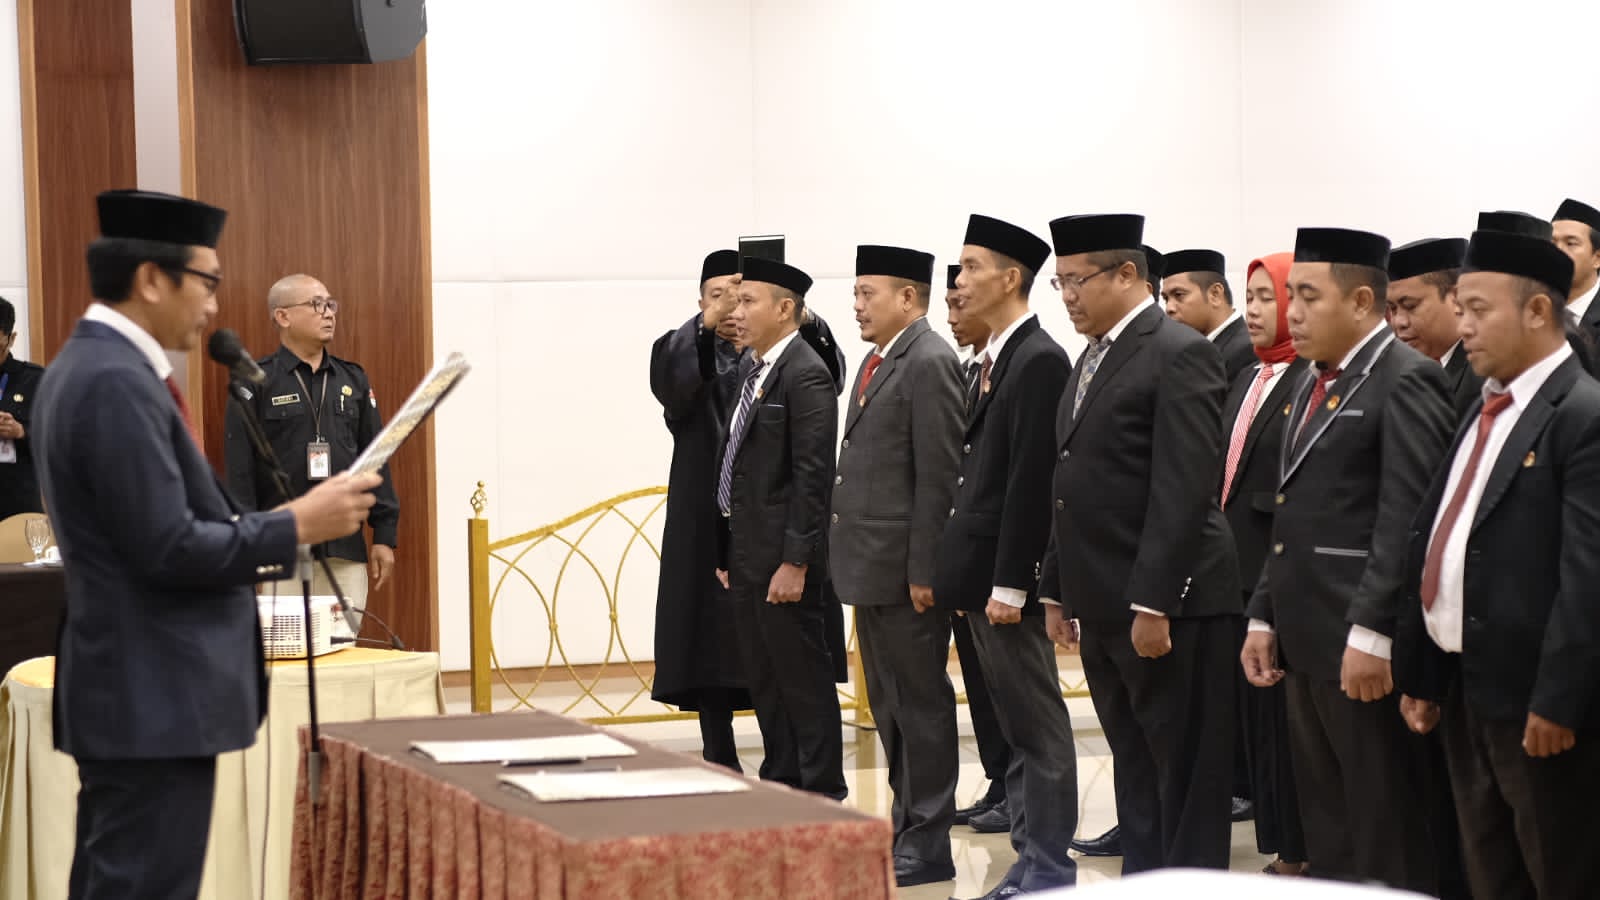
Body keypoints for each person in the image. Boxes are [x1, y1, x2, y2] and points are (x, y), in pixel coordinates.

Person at [32, 189, 381, 899]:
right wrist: (296, 524)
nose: (215, 305)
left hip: (140, 688)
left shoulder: (99, 367)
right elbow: (168, 547)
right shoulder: (112, 381)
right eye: (207, 282)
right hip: (150, 690)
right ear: (151, 279)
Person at [1241, 227, 1453, 891]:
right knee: (1328, 820)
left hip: (1362, 646)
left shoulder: (1406, 378)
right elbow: (1289, 514)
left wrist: (1373, 633)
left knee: (1384, 821)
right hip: (1305, 639)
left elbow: (1407, 522)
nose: (1293, 312)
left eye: (1309, 296)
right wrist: (1263, 615)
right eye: (1291, 296)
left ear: (1362, 302)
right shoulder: (1311, 381)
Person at [1396, 228, 1600, 899]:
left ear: (1538, 311)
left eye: (1479, 310)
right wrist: (1425, 672)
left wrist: (1559, 701)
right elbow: (1441, 533)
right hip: (1469, 689)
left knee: (1558, 872)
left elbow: (1588, 578)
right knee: (1491, 872)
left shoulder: (1581, 414)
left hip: (1537, 704)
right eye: (1460, 309)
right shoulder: (1489, 404)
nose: (1463, 326)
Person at [1039, 215, 1239, 874]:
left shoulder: (1179, 351)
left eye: (1078, 280)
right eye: (1060, 282)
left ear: (1128, 274)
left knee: (1183, 771)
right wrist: (1055, 587)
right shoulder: (1090, 358)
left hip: (1169, 605)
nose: (1068, 296)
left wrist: (1155, 602)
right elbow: (1069, 480)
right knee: (1134, 764)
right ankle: (1146, 880)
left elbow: (1184, 489)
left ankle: (1190, 886)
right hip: (1102, 601)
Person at [933, 214, 1077, 898]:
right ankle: (1028, 857)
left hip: (1005, 585)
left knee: (1037, 728)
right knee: (1016, 729)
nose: (958, 283)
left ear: (1010, 277)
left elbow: (1031, 481)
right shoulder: (996, 359)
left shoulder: (1038, 359)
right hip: (981, 579)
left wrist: (1013, 584)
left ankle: (1048, 865)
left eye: (970, 267)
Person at [831, 244, 965, 888]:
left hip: (906, 575)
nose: (857, 306)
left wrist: (924, 570)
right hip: (871, 569)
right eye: (855, 294)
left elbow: (939, 476)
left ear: (908, 297)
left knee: (921, 706)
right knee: (889, 707)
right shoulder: (876, 359)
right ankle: (906, 823)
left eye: (868, 293)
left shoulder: (930, 361)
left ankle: (930, 839)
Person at [714, 256, 846, 801]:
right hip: (749, 555)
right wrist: (726, 551)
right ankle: (782, 782)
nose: (736, 312)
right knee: (766, 680)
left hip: (783, 562)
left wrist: (796, 561)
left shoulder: (805, 372)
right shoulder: (756, 370)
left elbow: (812, 477)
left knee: (802, 680)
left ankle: (822, 791)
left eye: (748, 302)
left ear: (785, 309)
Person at [223, 274, 398, 633]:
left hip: (344, 547)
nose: (329, 313)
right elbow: (240, 470)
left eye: (330, 304)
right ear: (283, 316)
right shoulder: (253, 381)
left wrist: (384, 534)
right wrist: (248, 544)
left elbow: (376, 458)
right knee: (286, 650)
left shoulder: (352, 379)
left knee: (342, 648)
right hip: (281, 547)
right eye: (317, 304)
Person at [646, 250, 753, 770]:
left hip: (763, 520)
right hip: (701, 521)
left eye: (741, 296)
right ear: (700, 303)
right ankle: (719, 751)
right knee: (706, 635)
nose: (730, 308)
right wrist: (707, 323)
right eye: (717, 297)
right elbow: (673, 387)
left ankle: (787, 760)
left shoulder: (777, 358)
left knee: (770, 639)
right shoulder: (682, 348)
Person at [1221, 252, 1310, 876]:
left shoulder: (1307, 381)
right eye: (1248, 297)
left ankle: (1300, 854)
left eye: (1265, 297)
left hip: (1275, 576)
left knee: (1285, 732)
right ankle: (1282, 847)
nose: (1253, 310)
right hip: (1234, 577)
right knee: (1258, 730)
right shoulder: (1249, 379)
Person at [943, 263, 1014, 834]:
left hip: (996, 561)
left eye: (960, 303)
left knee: (1008, 690)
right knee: (979, 682)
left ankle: (1014, 787)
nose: (952, 317)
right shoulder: (967, 371)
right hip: (964, 557)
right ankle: (998, 779)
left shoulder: (1018, 368)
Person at [1387, 238, 1480, 417]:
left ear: (1457, 298)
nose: (1399, 322)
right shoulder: (1396, 375)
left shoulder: (1486, 375)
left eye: (1410, 306)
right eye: (1392, 309)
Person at [1162, 249, 1255, 382]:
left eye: (1179, 295)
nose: (1169, 308)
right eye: (1166, 299)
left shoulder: (1246, 351)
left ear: (1215, 294)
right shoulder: (1191, 350)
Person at [0, 296, 45, 518]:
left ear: (11, 339)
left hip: (18, 502)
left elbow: (57, 437)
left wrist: (21, 431)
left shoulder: (35, 379)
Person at [1552, 198, 1600, 342]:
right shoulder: (1533, 311)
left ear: (1597, 259)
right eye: (1552, 243)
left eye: (1570, 243)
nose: (1557, 251)